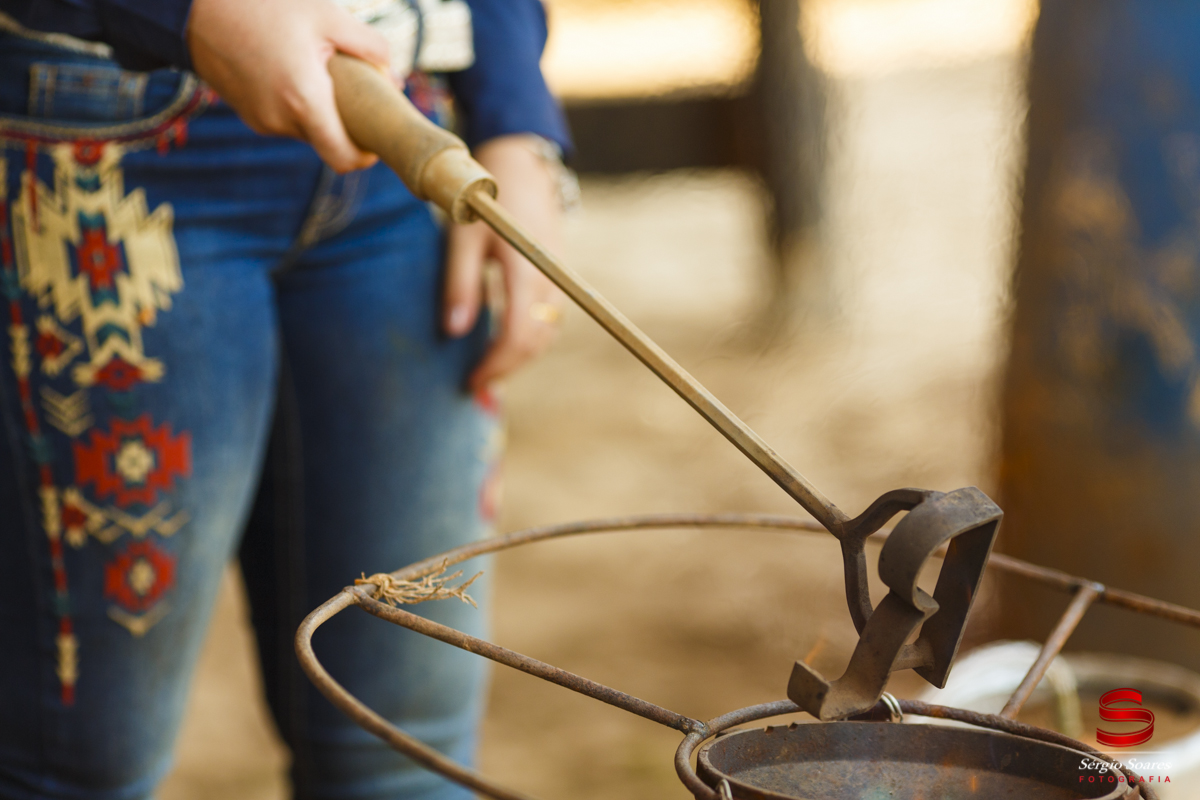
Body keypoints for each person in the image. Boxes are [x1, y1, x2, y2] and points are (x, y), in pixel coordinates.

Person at [0, 0, 570, 797]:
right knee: (78, 766)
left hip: (406, 142)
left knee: (408, 755)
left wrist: (515, 114)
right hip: (92, 135)